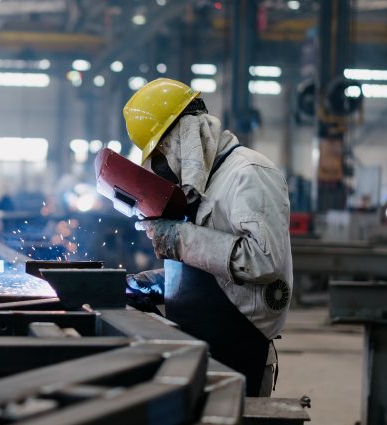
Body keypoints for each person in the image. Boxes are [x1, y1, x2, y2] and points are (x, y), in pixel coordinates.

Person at [123, 78, 292, 397]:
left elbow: (262, 261)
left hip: (241, 349)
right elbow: (217, 269)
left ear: (186, 134)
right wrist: (159, 282)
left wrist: (178, 238)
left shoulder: (249, 172)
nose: (160, 162)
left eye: (162, 149)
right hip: (200, 341)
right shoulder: (205, 185)